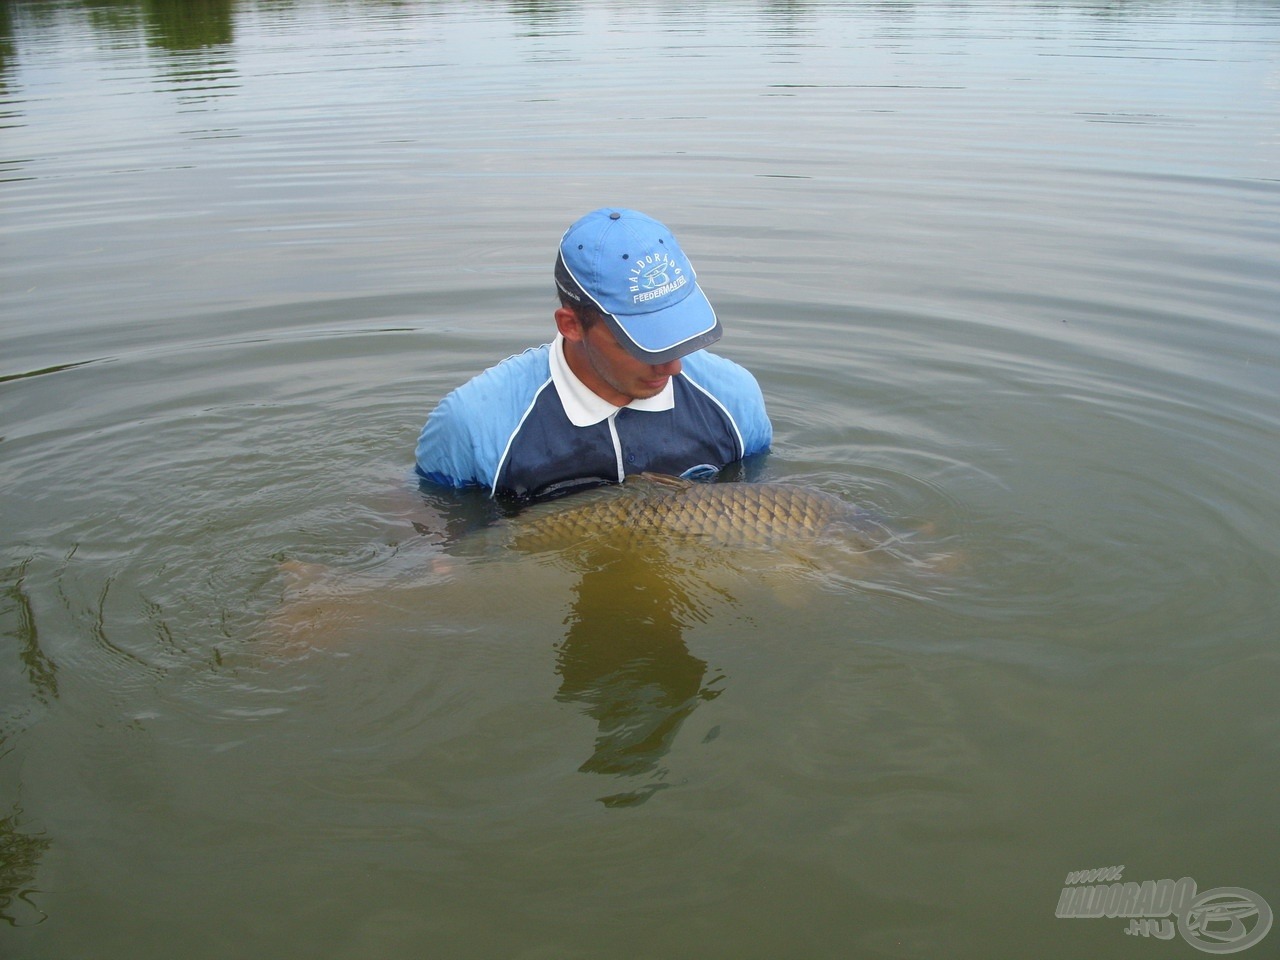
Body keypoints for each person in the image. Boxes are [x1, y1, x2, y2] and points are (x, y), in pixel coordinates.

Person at [415, 208, 772, 502]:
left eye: (677, 334)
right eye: (641, 343)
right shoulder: (473, 424)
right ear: (571, 325)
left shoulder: (735, 398)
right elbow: (435, 531)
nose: (674, 366)